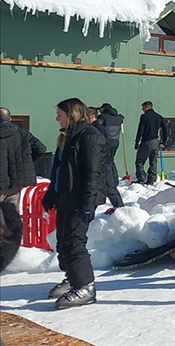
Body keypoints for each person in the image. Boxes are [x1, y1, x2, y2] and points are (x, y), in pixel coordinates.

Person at [42, 98, 105, 308]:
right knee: (63, 241)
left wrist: (88, 203)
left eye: (59, 114)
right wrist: (51, 193)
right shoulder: (67, 137)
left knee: (75, 243)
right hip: (65, 197)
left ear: (71, 115)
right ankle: (73, 278)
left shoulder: (90, 137)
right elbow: (59, 169)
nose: (56, 118)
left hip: (80, 199)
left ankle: (86, 287)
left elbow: (93, 173)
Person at [88, 108, 123, 209]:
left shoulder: (98, 127)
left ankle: (120, 207)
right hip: (111, 148)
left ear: (92, 116)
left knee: (109, 187)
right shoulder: (96, 126)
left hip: (103, 159)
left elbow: (100, 145)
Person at [0, 111, 34, 210]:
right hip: (15, 182)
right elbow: (40, 148)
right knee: (12, 214)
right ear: (10, 119)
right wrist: (25, 161)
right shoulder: (21, 132)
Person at [134, 101, 168, 185]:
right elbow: (165, 129)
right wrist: (164, 141)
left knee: (139, 161)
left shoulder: (144, 117)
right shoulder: (158, 117)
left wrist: (137, 141)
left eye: (143, 108)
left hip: (146, 141)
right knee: (153, 161)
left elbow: (140, 130)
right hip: (155, 142)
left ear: (147, 107)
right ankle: (151, 179)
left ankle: (141, 178)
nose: (142, 109)